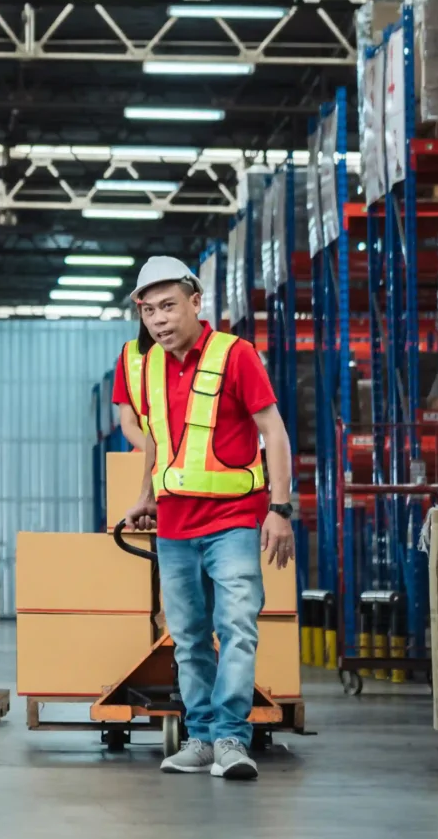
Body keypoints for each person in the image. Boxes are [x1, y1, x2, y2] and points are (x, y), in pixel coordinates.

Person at [113, 256, 297, 781]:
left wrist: (279, 510)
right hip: (173, 525)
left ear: (197, 302)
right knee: (189, 636)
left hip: (235, 519)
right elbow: (158, 441)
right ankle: (199, 739)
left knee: (236, 628)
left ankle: (232, 740)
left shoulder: (235, 355)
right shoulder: (146, 366)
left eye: (169, 306)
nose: (159, 320)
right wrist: (146, 494)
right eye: (149, 311)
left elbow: (275, 432)